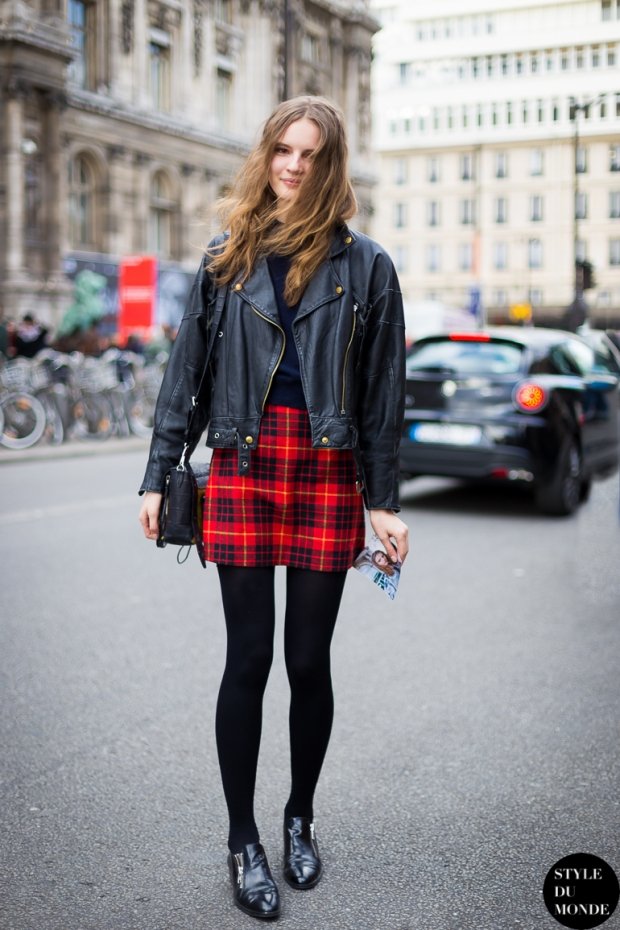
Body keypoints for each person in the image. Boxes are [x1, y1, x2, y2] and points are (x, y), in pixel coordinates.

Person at [138, 95, 408, 921]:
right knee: (247, 659)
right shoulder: (226, 257)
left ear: (332, 166)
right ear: (267, 156)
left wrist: (385, 503)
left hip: (326, 467)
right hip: (245, 461)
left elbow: (381, 398)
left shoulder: (367, 268)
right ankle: (242, 839)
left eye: (311, 154)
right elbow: (184, 373)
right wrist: (158, 473)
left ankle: (300, 818)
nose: (294, 165)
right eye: (283, 150)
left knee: (308, 662)